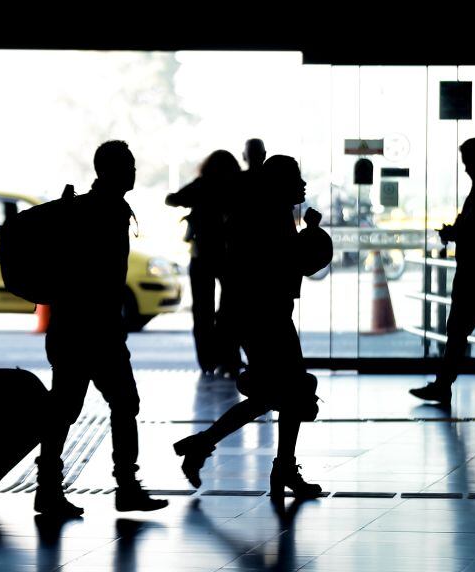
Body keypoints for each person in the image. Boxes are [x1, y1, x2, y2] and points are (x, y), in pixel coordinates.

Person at [173, 155, 325, 500]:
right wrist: (311, 235)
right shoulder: (266, 216)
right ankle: (276, 465)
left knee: (278, 393)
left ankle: (209, 447)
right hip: (263, 317)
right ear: (279, 185)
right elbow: (282, 262)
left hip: (261, 315)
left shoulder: (266, 212)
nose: (302, 185)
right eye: (295, 179)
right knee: (289, 391)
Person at [34, 140, 168, 517]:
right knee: (112, 404)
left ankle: (52, 489)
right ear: (108, 170)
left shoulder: (89, 207)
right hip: (92, 331)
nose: (134, 172)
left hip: (76, 327)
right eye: (127, 165)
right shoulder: (102, 210)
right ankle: (122, 487)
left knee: (70, 407)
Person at [409, 138, 475, 406]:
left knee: (465, 331)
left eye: (468, 163)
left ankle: (445, 385)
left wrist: (455, 232)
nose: (465, 169)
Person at [165, 150, 243, 376]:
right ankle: (230, 358)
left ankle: (208, 361)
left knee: (202, 312)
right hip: (229, 255)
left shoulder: (201, 185)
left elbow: (172, 199)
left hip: (201, 254)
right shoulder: (235, 186)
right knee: (230, 310)